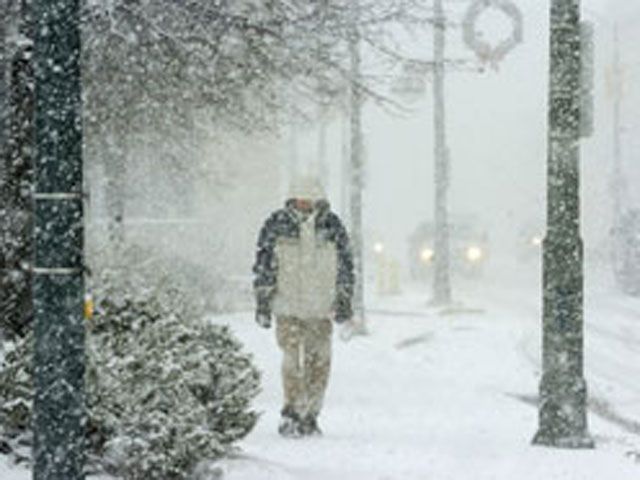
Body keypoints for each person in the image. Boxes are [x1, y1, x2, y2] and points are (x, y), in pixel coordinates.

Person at [252, 175, 354, 437]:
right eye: (300, 199)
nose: (305, 205)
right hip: (287, 306)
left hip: (321, 308)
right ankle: (292, 411)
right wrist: (263, 300)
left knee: (319, 362)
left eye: (309, 200)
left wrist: (343, 299)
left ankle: (311, 413)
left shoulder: (332, 226)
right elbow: (264, 264)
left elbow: (345, 266)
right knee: (291, 360)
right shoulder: (277, 225)